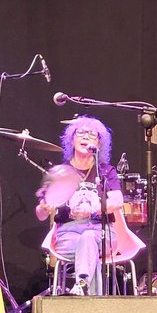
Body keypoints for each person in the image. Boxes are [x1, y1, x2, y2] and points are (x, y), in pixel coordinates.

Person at [34, 116, 123, 295]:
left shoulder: (106, 171)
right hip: (69, 235)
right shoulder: (61, 172)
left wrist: (92, 209)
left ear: (99, 143)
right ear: (72, 139)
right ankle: (89, 295)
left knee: (89, 237)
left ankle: (82, 288)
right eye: (81, 133)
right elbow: (41, 214)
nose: (86, 137)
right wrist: (43, 208)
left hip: (102, 233)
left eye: (92, 135)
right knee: (87, 244)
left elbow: (117, 201)